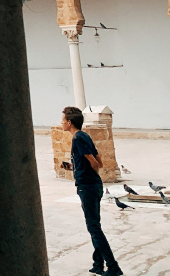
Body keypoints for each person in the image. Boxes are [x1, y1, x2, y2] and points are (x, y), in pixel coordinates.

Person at [60, 106, 122, 275]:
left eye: (63, 120)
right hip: (93, 186)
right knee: (94, 225)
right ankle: (98, 263)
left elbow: (95, 164)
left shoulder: (78, 138)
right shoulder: (84, 136)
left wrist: (86, 176)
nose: (61, 123)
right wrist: (75, 167)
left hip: (88, 187)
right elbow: (98, 160)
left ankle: (113, 266)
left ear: (70, 122)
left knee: (94, 228)